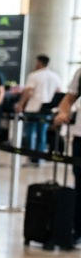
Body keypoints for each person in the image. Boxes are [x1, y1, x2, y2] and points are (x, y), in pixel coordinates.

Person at [51, 66, 81, 244]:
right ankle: (77, 229)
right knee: (80, 183)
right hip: (80, 136)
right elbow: (69, 97)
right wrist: (63, 112)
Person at [16, 54, 63, 165]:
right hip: (46, 109)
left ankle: (31, 156)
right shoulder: (55, 76)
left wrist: (20, 104)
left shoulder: (34, 75)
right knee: (42, 134)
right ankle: (39, 158)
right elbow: (58, 91)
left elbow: (27, 91)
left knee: (30, 133)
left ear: (40, 63)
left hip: (33, 108)